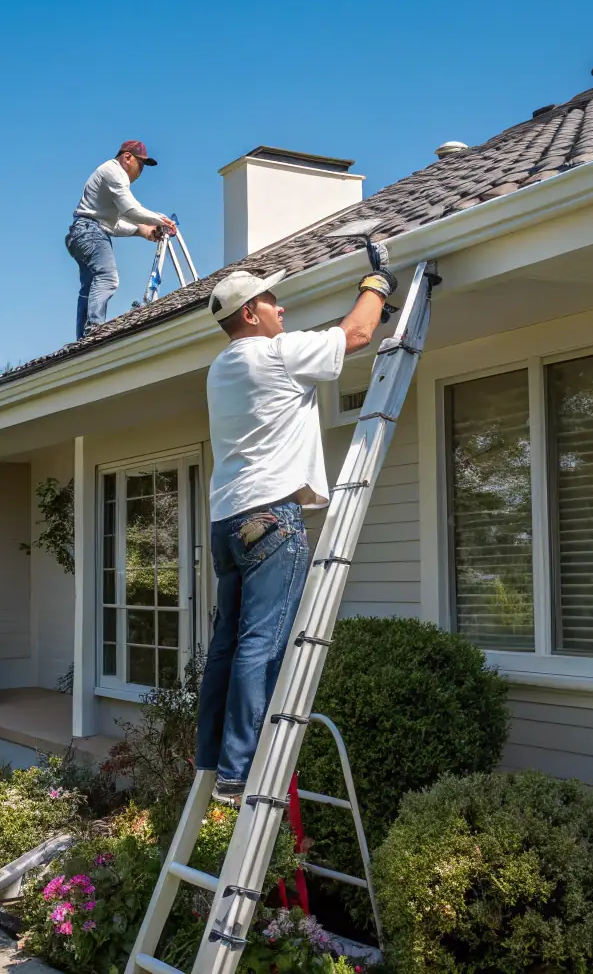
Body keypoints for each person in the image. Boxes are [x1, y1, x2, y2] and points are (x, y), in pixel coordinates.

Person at [196, 261, 396, 800]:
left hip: (228, 521)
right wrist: (375, 285)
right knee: (263, 642)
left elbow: (327, 340)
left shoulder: (221, 368)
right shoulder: (276, 355)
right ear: (250, 313)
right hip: (270, 519)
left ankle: (214, 759)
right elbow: (355, 334)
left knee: (228, 645)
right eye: (271, 300)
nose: (280, 307)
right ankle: (241, 771)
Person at [67, 140, 176, 340]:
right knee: (108, 278)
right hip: (89, 231)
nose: (141, 171)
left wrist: (141, 231)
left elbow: (112, 224)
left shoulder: (108, 179)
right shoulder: (114, 172)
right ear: (127, 157)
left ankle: (82, 338)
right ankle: (95, 329)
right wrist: (161, 220)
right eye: (140, 164)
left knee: (90, 286)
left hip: (82, 233)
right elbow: (130, 209)